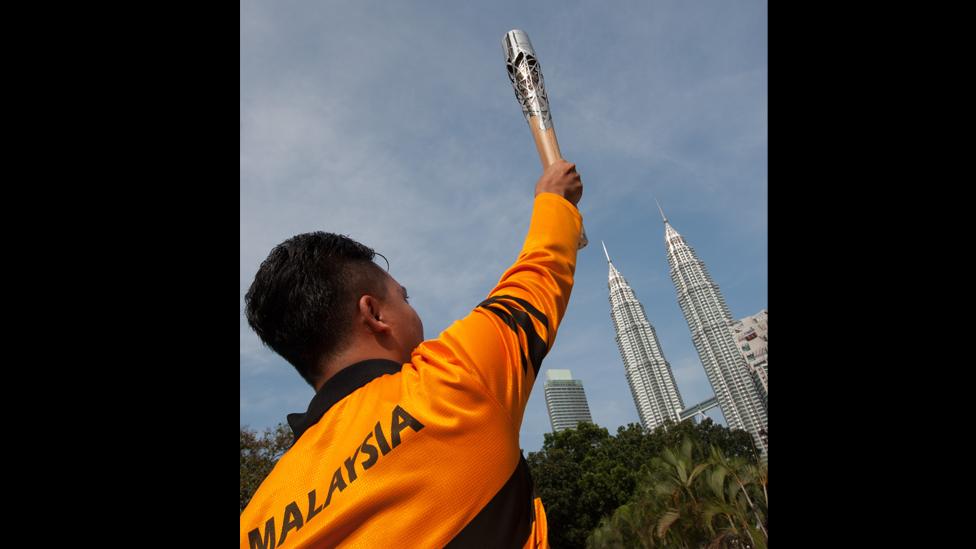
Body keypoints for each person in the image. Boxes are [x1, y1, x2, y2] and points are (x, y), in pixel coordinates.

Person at [240, 159, 583, 548]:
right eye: (405, 297)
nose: (413, 310)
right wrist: (555, 199)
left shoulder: (256, 522)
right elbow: (537, 275)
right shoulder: (450, 381)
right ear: (374, 314)